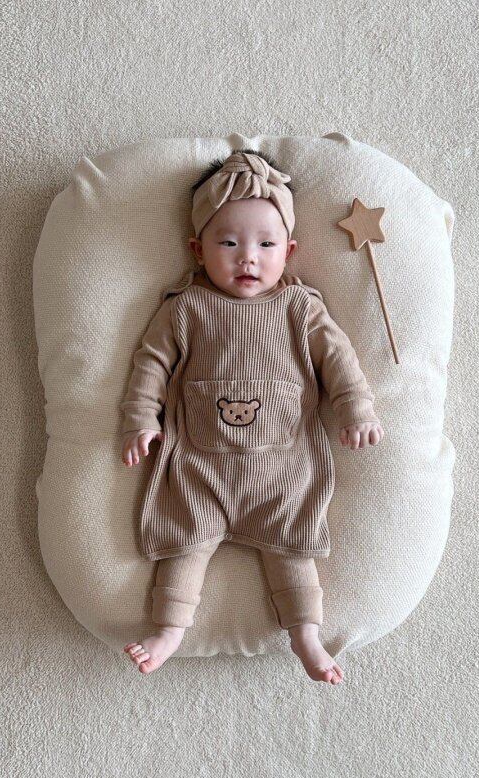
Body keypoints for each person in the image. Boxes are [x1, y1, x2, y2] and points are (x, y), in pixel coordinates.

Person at [121, 149, 384, 684]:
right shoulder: (184, 308)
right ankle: (169, 629)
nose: (248, 258)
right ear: (197, 250)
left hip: (280, 469)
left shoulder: (300, 308)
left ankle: (306, 635)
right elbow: (151, 363)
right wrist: (141, 419)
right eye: (228, 244)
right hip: (201, 465)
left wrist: (356, 408)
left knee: (293, 545)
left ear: (290, 251)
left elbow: (338, 358)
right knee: (185, 542)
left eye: (266, 245)